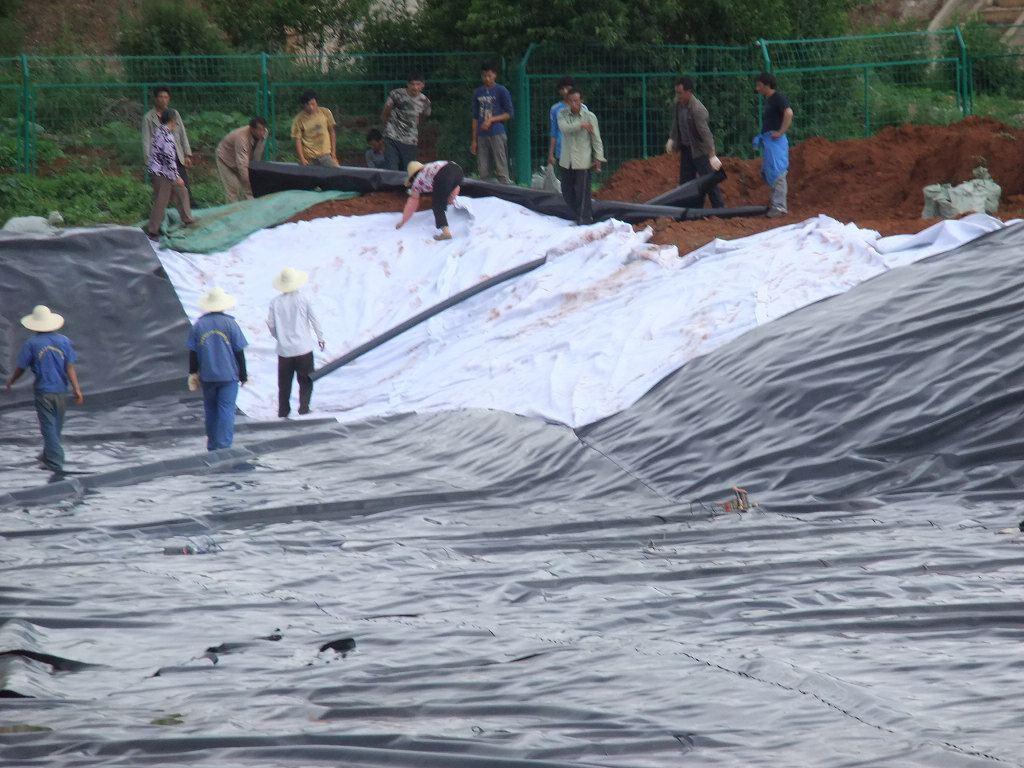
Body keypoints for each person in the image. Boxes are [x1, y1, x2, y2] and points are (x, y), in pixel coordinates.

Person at [4, 305, 84, 473]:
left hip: (44, 391)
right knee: (57, 425)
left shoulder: (32, 343)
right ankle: (48, 454)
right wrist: (77, 389)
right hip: (61, 390)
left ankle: (54, 461)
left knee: (48, 426)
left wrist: (12, 380)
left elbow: (21, 367)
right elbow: (70, 367)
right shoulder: (64, 341)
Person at [187, 287, 248, 452]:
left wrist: (193, 373)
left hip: (207, 376)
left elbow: (193, 352)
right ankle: (224, 445)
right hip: (228, 375)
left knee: (211, 409)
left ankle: (212, 444)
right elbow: (239, 351)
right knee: (226, 409)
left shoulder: (199, 325)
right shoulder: (230, 323)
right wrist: (243, 374)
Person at [267, 267, 325, 418]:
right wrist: (320, 337)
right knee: (305, 380)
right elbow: (314, 319)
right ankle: (304, 408)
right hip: (303, 348)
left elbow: (271, 325)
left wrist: (279, 338)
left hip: (284, 351)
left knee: (284, 384)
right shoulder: (303, 299)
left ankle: (283, 411)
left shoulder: (275, 302)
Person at [666, 76, 724, 208]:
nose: (678, 96)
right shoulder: (678, 105)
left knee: (708, 180)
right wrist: (672, 138)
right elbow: (676, 123)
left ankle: (720, 210)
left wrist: (712, 155)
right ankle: (690, 210)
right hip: (686, 149)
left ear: (689, 92)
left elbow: (706, 134)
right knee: (686, 182)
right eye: (677, 93)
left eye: (680, 93)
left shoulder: (697, 110)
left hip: (700, 150)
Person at [557, 89, 605, 226]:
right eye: (571, 101)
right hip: (567, 160)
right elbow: (564, 128)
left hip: (583, 159)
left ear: (581, 101)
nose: (574, 104)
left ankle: (584, 219)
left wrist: (598, 157)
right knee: (566, 190)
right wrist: (581, 125)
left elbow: (596, 139)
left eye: (576, 101)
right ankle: (578, 213)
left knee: (583, 191)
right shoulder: (562, 114)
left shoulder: (590, 117)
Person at [146, 109, 195, 241]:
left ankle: (187, 218)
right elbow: (168, 159)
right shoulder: (167, 136)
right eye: (175, 120)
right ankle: (153, 230)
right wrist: (176, 176)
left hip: (158, 171)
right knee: (161, 201)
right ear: (172, 120)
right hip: (162, 173)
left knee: (182, 190)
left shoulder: (159, 131)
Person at [754, 71, 794, 218]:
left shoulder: (778, 98)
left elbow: (788, 113)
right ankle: (776, 202)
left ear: (767, 85)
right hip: (770, 143)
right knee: (769, 172)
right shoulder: (769, 100)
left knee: (778, 172)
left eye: (759, 85)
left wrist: (781, 132)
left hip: (776, 143)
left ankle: (780, 206)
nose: (757, 88)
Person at [396, 160, 464, 241]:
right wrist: (451, 198)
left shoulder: (417, 181)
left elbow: (412, 202)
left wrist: (403, 221)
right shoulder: (430, 168)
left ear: (413, 176)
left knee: (437, 205)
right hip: (458, 170)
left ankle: (446, 233)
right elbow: (454, 186)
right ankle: (449, 203)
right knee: (443, 195)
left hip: (444, 174)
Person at [142, 86, 193, 192]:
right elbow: (146, 140)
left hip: (176, 154)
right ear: (156, 99)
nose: (163, 100)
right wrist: (148, 160)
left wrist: (187, 154)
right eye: (160, 97)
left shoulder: (174, 114)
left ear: (169, 99)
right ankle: (164, 204)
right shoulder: (148, 118)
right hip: (160, 159)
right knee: (163, 187)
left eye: (166, 97)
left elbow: (182, 133)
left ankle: (189, 205)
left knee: (184, 184)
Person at [470, 62, 514, 184]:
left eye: (489, 75)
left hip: (497, 133)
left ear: (495, 75)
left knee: (501, 167)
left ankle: (505, 190)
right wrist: (474, 140)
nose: (487, 78)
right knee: (483, 170)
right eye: (484, 76)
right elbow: (475, 117)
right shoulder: (478, 93)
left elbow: (509, 113)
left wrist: (491, 120)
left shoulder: (501, 90)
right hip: (481, 135)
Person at [381, 73, 431, 171]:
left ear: (423, 85)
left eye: (418, 84)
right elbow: (385, 113)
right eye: (412, 84)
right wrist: (387, 130)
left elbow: (422, 119)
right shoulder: (396, 94)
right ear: (407, 84)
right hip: (392, 137)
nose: (415, 87)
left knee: (408, 171)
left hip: (410, 140)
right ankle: (391, 187)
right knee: (392, 168)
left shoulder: (425, 102)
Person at [215, 116, 268, 203]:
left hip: (242, 159)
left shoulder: (265, 133)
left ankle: (248, 211)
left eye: (264, 129)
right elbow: (242, 164)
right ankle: (233, 213)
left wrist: (255, 172)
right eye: (259, 130)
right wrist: (248, 186)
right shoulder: (241, 138)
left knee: (250, 189)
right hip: (225, 159)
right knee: (233, 188)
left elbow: (258, 152)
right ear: (252, 129)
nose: (262, 132)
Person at [291, 90, 338, 167]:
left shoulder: (325, 112)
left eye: (313, 104)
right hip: (309, 158)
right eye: (308, 105)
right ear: (304, 105)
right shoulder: (298, 119)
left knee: (336, 173)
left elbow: (332, 132)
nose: (311, 107)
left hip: (325, 155)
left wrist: (333, 153)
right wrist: (302, 158)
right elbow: (298, 140)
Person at [547, 76, 575, 168]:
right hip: (562, 150)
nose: (565, 91)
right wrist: (551, 154)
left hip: (580, 151)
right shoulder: (555, 109)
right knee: (566, 180)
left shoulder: (582, 107)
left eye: (567, 88)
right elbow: (554, 132)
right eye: (562, 89)